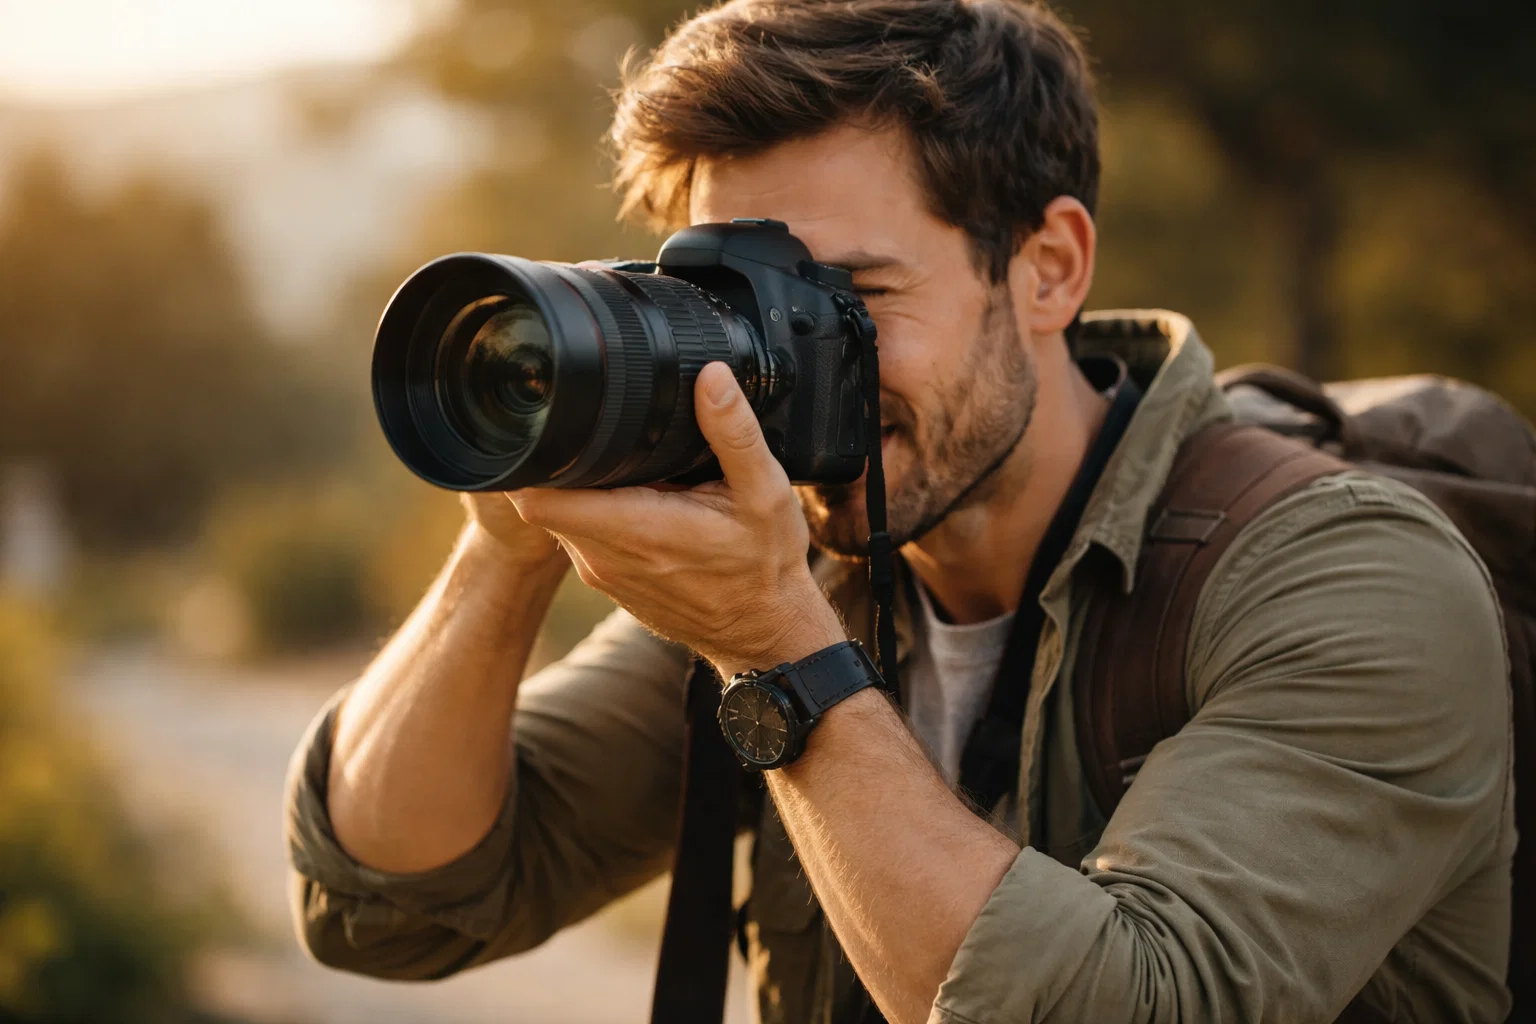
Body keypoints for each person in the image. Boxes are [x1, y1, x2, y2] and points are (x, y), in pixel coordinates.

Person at [283, 1, 1515, 1021]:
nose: (783, 362)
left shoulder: (1343, 576)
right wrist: (507, 542)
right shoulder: (795, 564)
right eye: (734, 304)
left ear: (1049, 268)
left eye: (847, 298)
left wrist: (777, 654)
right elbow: (394, 899)